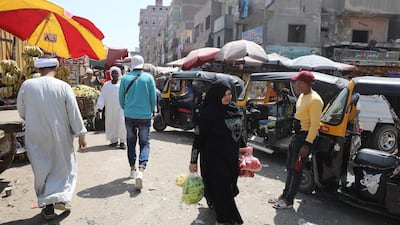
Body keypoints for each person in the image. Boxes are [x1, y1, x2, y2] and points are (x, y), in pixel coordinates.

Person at [16, 56, 87, 220]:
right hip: (60, 134)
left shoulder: (27, 85)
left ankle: (48, 207)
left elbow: (21, 111)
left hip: (36, 134)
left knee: (42, 168)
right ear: (56, 67)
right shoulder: (64, 86)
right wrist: (81, 136)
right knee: (63, 167)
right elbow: (74, 114)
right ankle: (62, 198)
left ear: (38, 69)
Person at [189, 80, 245, 225]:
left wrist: (245, 152)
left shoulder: (234, 109)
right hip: (213, 158)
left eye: (230, 94)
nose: (229, 97)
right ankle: (224, 219)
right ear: (216, 95)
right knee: (222, 187)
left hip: (231, 157)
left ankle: (216, 204)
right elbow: (198, 138)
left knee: (229, 186)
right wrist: (193, 161)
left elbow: (241, 132)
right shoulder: (207, 113)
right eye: (225, 94)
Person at [268, 70, 323, 209]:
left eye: (298, 82)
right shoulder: (302, 96)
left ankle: (289, 200)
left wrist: (307, 144)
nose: (296, 84)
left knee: (297, 169)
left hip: (305, 138)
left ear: (304, 83)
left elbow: (315, 125)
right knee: (290, 168)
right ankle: (285, 194)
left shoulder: (315, 100)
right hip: (297, 136)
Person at [119, 55, 157, 190]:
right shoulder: (149, 78)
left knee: (130, 142)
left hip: (129, 115)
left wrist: (127, 109)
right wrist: (151, 111)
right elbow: (153, 98)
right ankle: (141, 171)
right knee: (145, 143)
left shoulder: (124, 78)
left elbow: (121, 99)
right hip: (144, 116)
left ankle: (132, 169)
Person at [96, 66, 126, 149]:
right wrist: (100, 106)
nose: (114, 75)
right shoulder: (106, 85)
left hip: (121, 108)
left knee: (122, 123)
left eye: (116, 73)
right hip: (110, 109)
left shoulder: (122, 84)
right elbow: (102, 96)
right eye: (113, 73)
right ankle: (113, 140)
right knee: (111, 124)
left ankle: (123, 141)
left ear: (119, 73)